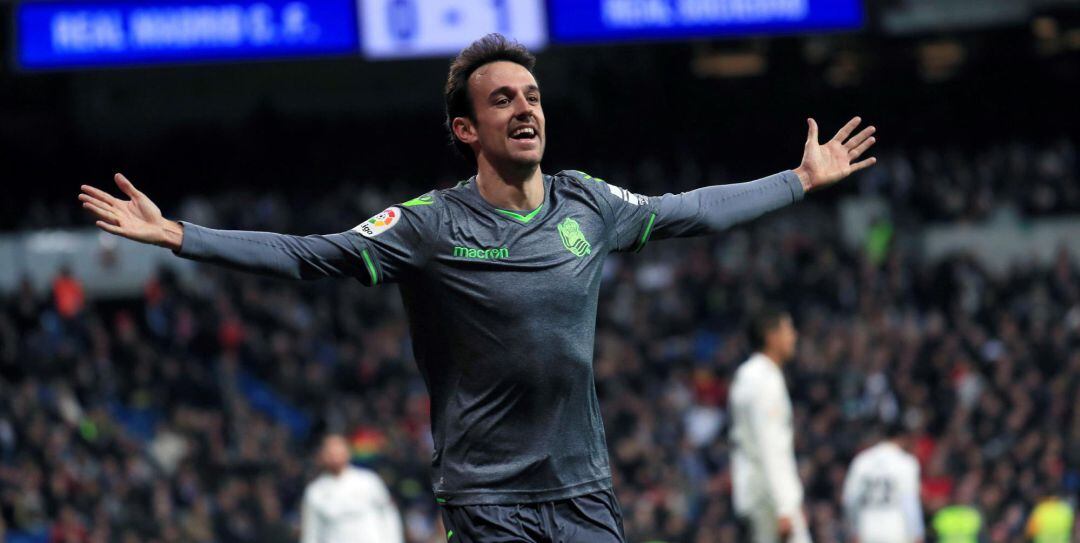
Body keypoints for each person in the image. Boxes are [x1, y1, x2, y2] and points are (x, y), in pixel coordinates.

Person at [77, 33, 877, 543]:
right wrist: (181, 234)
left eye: (531, 96)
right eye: (503, 100)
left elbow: (696, 211)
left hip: (584, 492)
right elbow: (310, 254)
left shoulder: (588, 203)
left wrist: (799, 180)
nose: (525, 108)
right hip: (487, 501)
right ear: (467, 131)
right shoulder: (426, 224)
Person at [729, 308, 811, 543]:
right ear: (771, 336)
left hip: (758, 496)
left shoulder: (746, 376)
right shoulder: (763, 379)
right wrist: (785, 505)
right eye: (788, 330)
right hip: (769, 500)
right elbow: (769, 444)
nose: (794, 336)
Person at [301, 434, 403, 543]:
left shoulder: (369, 481)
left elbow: (388, 515)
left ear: (347, 452)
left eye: (338, 451)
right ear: (322, 456)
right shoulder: (315, 491)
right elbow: (311, 532)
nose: (335, 457)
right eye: (330, 453)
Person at [841, 424, 924, 543]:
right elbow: (909, 502)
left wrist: (853, 530)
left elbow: (850, 500)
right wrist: (917, 533)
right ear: (903, 438)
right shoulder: (906, 462)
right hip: (897, 529)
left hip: (867, 528)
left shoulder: (862, 461)